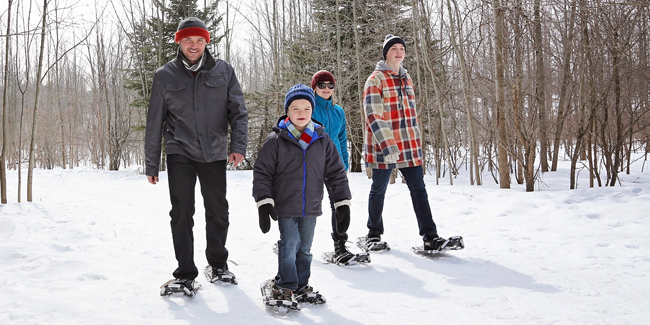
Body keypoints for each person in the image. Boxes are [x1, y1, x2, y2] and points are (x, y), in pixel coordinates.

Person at [145, 17, 248, 293]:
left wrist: (238, 146)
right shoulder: (164, 75)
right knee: (181, 213)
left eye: (199, 40)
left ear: (206, 42)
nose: (194, 45)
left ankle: (217, 264)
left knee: (218, 211)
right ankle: (185, 272)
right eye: (188, 40)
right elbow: (155, 121)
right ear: (179, 42)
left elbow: (238, 111)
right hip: (180, 152)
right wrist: (151, 163)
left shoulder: (223, 71)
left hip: (214, 152)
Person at [253, 84, 351, 305]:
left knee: (305, 248)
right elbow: (262, 173)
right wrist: (263, 201)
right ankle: (284, 285)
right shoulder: (276, 140)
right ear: (287, 111)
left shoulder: (322, 140)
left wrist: (342, 202)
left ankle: (301, 285)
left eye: (306, 109)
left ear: (312, 111)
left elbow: (336, 173)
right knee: (289, 246)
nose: (301, 113)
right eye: (295, 108)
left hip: (311, 206)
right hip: (285, 205)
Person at [360, 34, 447, 251]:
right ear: (386, 53)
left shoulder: (407, 79)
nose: (399, 52)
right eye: (393, 49)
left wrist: (416, 138)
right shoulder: (375, 79)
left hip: (408, 145)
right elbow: (373, 114)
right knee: (378, 189)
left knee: (419, 189)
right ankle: (373, 234)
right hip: (385, 145)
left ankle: (430, 235)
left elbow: (411, 114)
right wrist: (388, 145)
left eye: (401, 48)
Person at [309, 70, 366, 265]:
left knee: (340, 204)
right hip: (312, 164)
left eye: (330, 85)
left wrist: (344, 160)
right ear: (314, 88)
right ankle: (293, 241)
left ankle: (340, 246)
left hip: (334, 165)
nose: (326, 89)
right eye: (322, 85)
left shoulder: (338, 111)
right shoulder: (309, 109)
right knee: (307, 204)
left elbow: (342, 138)